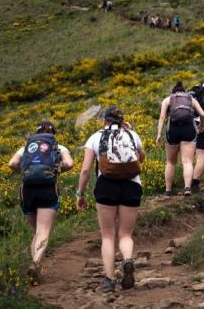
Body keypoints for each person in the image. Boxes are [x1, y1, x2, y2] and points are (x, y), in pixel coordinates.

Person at [76, 106, 146, 293]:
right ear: (123, 120)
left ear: (104, 120)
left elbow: (85, 169)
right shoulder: (132, 134)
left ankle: (109, 279)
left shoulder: (95, 137)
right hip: (132, 185)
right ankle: (128, 259)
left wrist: (80, 194)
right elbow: (141, 158)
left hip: (106, 185)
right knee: (125, 234)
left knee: (108, 235)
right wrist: (130, 132)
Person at [8, 120, 74, 282]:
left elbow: (12, 163)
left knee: (36, 231)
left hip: (27, 191)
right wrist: (57, 171)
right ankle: (35, 263)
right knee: (43, 231)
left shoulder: (26, 147)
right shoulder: (58, 147)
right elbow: (69, 163)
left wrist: (24, 172)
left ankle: (35, 270)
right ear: (53, 133)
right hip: (47, 189)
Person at [156, 82, 204, 196]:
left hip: (173, 130)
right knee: (187, 161)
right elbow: (202, 114)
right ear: (184, 92)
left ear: (173, 92)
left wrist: (159, 134)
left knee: (170, 162)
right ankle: (187, 188)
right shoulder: (191, 99)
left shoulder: (167, 100)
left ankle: (168, 190)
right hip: (189, 130)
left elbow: (162, 117)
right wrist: (201, 126)